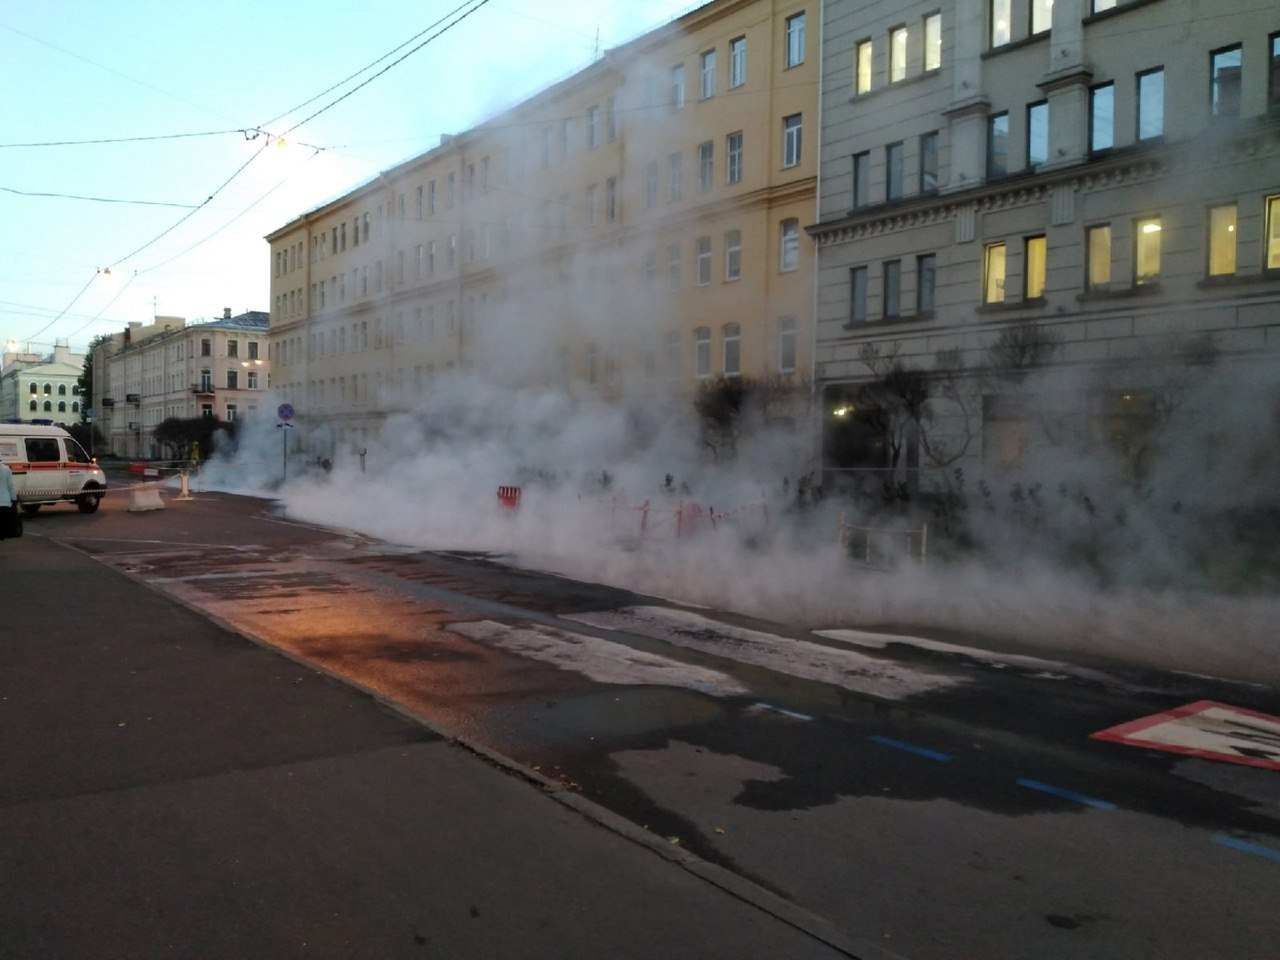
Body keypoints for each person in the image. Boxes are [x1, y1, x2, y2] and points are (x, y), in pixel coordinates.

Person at [0, 458, 16, 540]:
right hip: (4, 502)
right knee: (4, 522)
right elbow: (11, 486)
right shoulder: (6, 470)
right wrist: (14, 499)